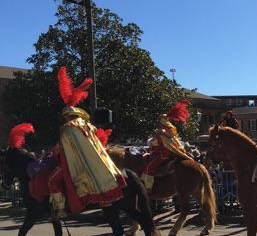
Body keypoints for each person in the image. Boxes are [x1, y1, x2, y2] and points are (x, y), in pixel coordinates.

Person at [48, 67, 126, 219]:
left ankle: (60, 209)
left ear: (66, 116)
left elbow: (62, 150)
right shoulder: (88, 125)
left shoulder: (67, 128)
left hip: (75, 163)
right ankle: (105, 199)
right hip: (95, 161)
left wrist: (54, 151)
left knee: (52, 180)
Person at [141, 100, 193, 191]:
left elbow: (162, 144)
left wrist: (152, 141)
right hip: (154, 152)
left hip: (161, 153)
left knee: (150, 167)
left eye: (160, 120)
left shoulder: (163, 131)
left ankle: (147, 187)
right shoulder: (165, 131)